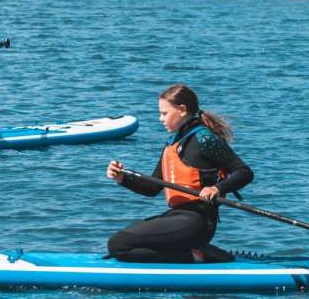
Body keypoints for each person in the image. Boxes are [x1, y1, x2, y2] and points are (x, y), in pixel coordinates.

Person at [105, 84, 253, 263]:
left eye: (164, 113)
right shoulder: (172, 143)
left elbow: (244, 172)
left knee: (118, 245)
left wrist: (216, 188)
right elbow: (152, 187)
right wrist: (122, 178)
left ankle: (200, 256)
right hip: (176, 218)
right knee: (120, 245)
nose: (160, 119)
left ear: (182, 110)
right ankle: (192, 252)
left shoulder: (204, 139)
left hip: (197, 222)